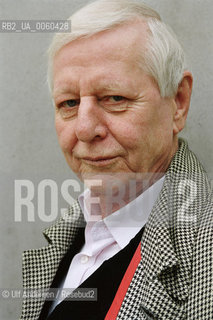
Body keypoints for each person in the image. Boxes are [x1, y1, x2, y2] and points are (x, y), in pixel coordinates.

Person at [20, 0, 212, 319]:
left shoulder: (203, 256)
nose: (84, 129)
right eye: (68, 103)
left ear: (178, 102)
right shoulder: (64, 237)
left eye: (115, 98)